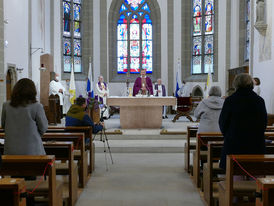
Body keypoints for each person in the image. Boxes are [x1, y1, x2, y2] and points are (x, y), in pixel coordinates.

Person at [219, 73, 267, 169]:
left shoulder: (230, 100)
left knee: (234, 172)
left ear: (236, 84)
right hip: (255, 143)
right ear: (251, 84)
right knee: (254, 170)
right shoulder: (259, 100)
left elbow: (223, 122)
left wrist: (228, 135)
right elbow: (264, 122)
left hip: (234, 143)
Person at [1, 78, 48, 155]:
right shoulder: (37, 106)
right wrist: (32, 134)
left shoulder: (6, 106)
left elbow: (3, 125)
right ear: (33, 91)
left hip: (11, 150)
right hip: (32, 150)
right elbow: (43, 127)